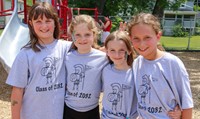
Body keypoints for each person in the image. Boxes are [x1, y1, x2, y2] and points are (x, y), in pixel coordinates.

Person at [6, 2, 71, 119]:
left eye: (48, 21)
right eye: (38, 22)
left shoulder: (67, 48)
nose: (44, 26)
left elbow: (93, 53)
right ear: (31, 23)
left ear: (55, 22)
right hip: (32, 115)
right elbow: (17, 91)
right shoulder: (25, 55)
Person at [127, 13, 193, 119]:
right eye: (136, 38)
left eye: (147, 37)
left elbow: (187, 104)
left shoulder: (172, 63)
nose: (142, 44)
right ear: (130, 38)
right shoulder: (137, 63)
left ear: (158, 36)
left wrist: (180, 114)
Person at [63, 14, 108, 119]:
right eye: (78, 35)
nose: (82, 39)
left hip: (91, 111)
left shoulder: (103, 58)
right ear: (72, 36)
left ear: (94, 34)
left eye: (87, 34)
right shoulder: (66, 57)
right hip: (69, 110)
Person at [101, 30, 138, 119]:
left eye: (121, 50)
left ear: (129, 50)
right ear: (107, 51)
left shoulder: (136, 72)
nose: (117, 54)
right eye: (112, 50)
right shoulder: (104, 69)